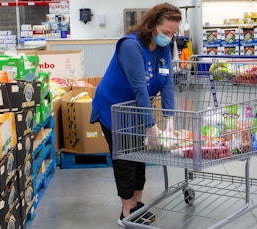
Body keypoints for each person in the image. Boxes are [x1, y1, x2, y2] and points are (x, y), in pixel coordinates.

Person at [90, 2, 182, 227]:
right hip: (115, 108)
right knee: (125, 158)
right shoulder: (130, 46)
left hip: (138, 108)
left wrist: (169, 118)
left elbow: (167, 80)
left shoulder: (162, 47)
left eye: (173, 34)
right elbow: (140, 87)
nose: (169, 38)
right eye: (165, 32)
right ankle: (126, 210)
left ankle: (138, 204)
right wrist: (151, 125)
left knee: (141, 155)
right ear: (152, 25)